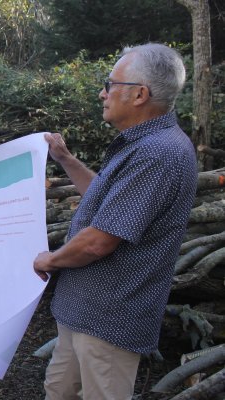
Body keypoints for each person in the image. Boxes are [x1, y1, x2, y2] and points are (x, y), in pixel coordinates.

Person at [32, 43, 197, 399]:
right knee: (57, 391)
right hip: (85, 313)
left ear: (140, 94)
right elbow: (109, 201)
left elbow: (99, 241)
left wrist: (50, 260)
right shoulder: (143, 145)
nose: (102, 93)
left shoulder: (159, 153)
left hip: (109, 320)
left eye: (111, 84)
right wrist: (65, 159)